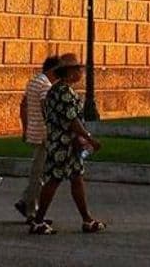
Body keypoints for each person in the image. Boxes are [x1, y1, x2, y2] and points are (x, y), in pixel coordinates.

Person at [29, 53, 106, 235]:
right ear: (70, 72)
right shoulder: (64, 92)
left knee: (76, 179)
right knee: (54, 181)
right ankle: (38, 221)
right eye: (78, 69)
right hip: (63, 144)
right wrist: (89, 138)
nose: (81, 73)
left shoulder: (57, 90)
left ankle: (86, 219)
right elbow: (72, 120)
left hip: (65, 143)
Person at [14, 54, 60, 221]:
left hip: (34, 131)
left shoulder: (34, 81)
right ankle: (31, 210)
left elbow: (23, 105)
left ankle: (26, 203)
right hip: (44, 134)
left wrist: (25, 128)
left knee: (38, 171)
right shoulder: (46, 86)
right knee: (40, 173)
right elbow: (46, 109)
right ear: (54, 70)